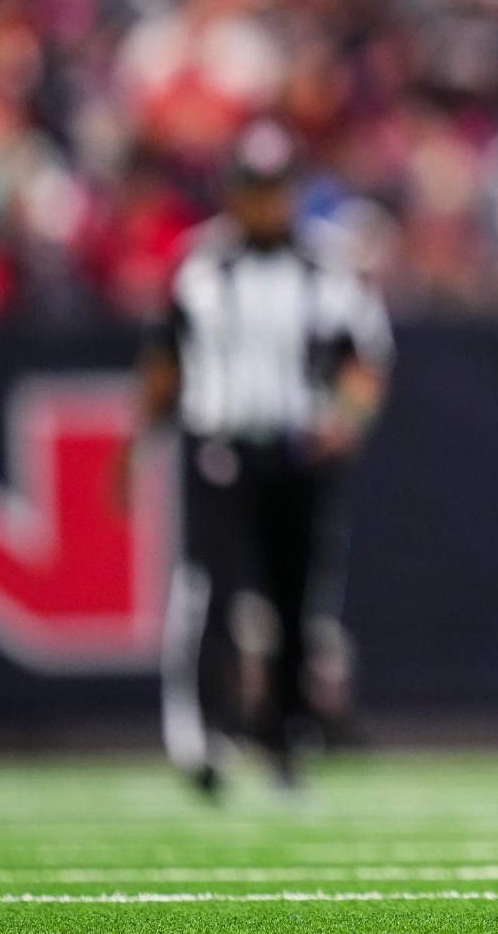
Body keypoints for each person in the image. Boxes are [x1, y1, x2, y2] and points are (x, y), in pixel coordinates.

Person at [134, 121, 392, 794]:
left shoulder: (327, 269)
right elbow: (164, 361)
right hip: (219, 445)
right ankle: (204, 739)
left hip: (297, 450)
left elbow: (364, 360)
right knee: (207, 592)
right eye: (253, 190)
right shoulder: (200, 266)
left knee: (297, 602)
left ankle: (284, 738)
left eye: (274, 190)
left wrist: (347, 421)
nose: (264, 205)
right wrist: (138, 441)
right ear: (233, 194)